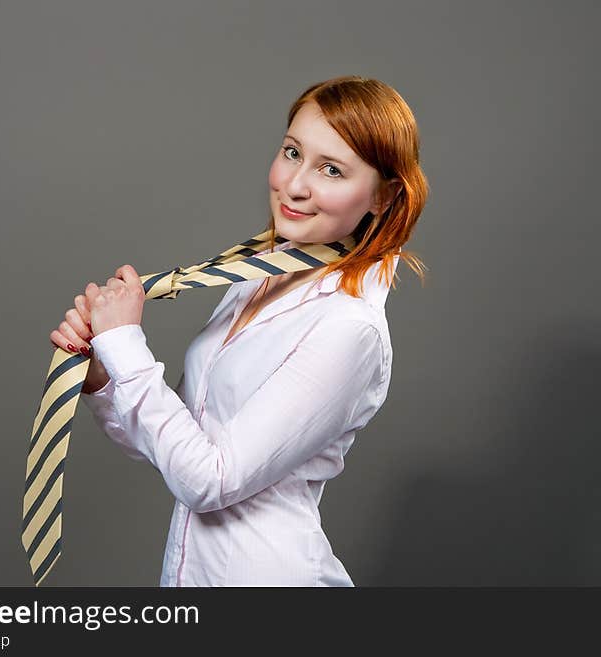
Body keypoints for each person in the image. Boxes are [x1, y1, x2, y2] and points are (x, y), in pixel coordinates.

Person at [49, 75, 428, 586]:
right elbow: (176, 444)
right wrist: (103, 373)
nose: (295, 185)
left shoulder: (348, 329)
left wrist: (125, 343)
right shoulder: (258, 276)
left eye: (331, 169)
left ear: (382, 198)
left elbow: (208, 480)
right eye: (293, 152)